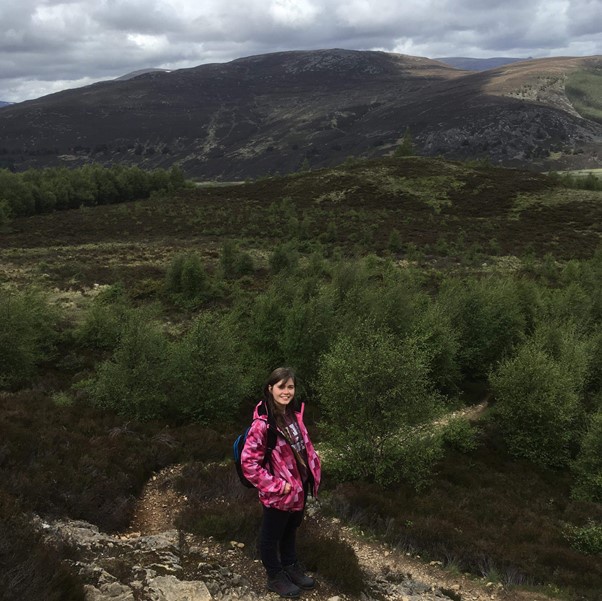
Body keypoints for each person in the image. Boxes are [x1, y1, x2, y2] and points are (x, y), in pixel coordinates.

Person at [241, 367, 322, 598]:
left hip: (299, 489)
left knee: (290, 531)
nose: (286, 392)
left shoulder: (293, 415)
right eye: (281, 387)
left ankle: (290, 566)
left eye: (290, 387)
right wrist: (278, 486)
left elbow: (302, 449)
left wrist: (314, 468)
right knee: (270, 537)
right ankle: (274, 576)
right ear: (270, 388)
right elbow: (249, 465)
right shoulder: (263, 425)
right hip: (279, 493)